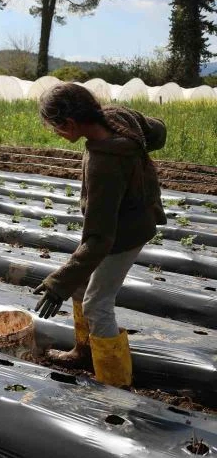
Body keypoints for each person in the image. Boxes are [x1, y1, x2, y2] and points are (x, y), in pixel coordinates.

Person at [33, 83, 166, 388]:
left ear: (69, 123)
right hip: (129, 220)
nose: (56, 134)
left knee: (97, 303)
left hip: (125, 235)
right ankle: (84, 351)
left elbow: (101, 240)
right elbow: (157, 130)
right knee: (82, 282)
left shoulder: (104, 163)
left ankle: (116, 384)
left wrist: (57, 285)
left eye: (56, 127)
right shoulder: (117, 117)